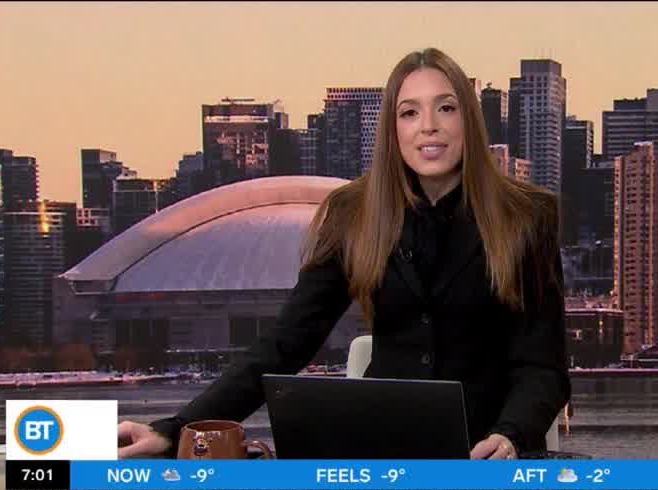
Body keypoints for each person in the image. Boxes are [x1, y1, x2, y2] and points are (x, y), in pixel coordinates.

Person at [117, 48, 571, 468]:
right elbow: (285, 344)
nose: (428, 125)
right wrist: (175, 429)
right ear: (393, 130)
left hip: (484, 458)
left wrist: (510, 436)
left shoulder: (526, 217)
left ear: (468, 120)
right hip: (382, 456)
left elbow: (543, 367)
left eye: (445, 108)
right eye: (409, 112)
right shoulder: (354, 214)